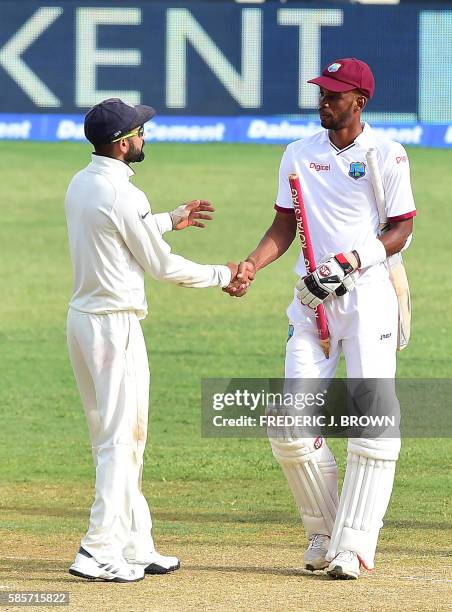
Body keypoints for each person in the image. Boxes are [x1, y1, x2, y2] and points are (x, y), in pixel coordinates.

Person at [225, 58, 416, 579]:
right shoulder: (298, 154)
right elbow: (285, 222)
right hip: (310, 300)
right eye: (322, 93)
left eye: (335, 95)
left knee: (372, 422)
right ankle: (327, 532)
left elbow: (401, 230)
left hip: (368, 297)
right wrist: (252, 264)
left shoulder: (386, 155)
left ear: (361, 101)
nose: (324, 102)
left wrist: (352, 261)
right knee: (289, 426)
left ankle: (354, 548)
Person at [65, 98, 238, 583]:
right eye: (139, 131)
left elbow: (117, 232)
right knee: (123, 440)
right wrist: (223, 274)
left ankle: (134, 545)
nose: (144, 137)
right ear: (123, 144)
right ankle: (98, 550)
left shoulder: (82, 183)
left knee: (114, 440)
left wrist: (168, 219)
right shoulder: (124, 196)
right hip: (114, 327)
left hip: (82, 322)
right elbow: (160, 265)